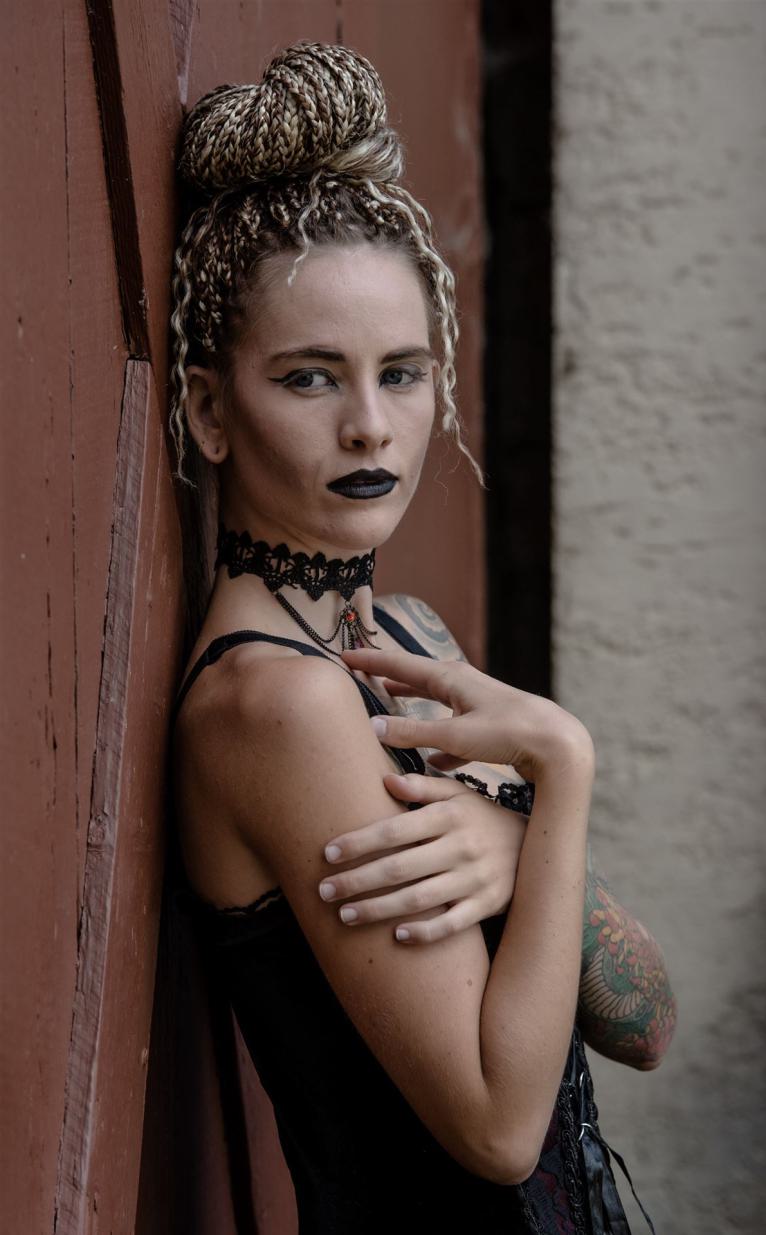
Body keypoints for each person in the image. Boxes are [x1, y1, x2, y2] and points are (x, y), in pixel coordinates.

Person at [167, 41, 676, 1233]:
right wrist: (560, 769)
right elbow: (499, 1130)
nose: (369, 426)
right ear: (208, 408)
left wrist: (515, 839)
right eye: (310, 378)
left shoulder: (405, 632)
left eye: (401, 373)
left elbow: (647, 1018)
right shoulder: (273, 702)